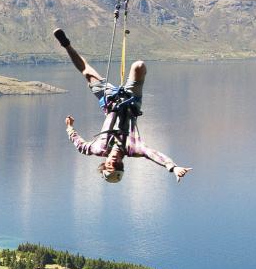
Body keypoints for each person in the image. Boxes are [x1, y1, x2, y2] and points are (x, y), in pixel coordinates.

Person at [53, 28, 190, 183]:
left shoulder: (98, 148)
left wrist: (69, 127)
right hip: (131, 101)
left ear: (104, 164)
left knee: (86, 72)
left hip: (110, 101)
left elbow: (80, 145)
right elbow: (153, 154)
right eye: (116, 165)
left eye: (108, 166)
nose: (112, 162)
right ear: (121, 164)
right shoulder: (133, 148)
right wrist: (172, 167)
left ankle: (66, 45)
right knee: (138, 66)